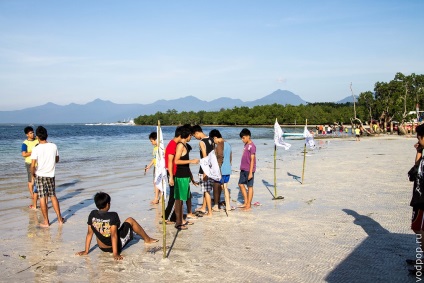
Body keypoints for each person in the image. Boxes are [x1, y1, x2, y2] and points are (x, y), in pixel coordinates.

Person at [76, 192, 158, 260]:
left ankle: (146, 239)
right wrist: (115, 254)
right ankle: (147, 239)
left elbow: (89, 234)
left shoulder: (92, 214)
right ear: (108, 204)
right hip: (112, 247)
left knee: (99, 227)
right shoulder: (113, 215)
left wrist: (86, 251)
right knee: (130, 220)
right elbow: (113, 235)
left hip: (101, 247)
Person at [30, 126, 64, 227]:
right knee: (53, 196)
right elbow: (57, 159)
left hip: (40, 175)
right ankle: (59, 219)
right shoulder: (53, 146)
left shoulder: (36, 148)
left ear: (37, 137)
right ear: (46, 135)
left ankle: (46, 221)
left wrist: (33, 174)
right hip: (51, 175)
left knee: (42, 197)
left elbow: (32, 165)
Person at [173, 127, 199, 230]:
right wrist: (191, 161)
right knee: (179, 200)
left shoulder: (185, 146)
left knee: (182, 199)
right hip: (180, 176)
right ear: (187, 135)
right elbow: (176, 161)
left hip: (185, 176)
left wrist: (191, 178)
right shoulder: (180, 146)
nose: (191, 137)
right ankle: (178, 223)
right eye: (190, 136)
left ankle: (180, 220)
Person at [408, 124, 424, 272]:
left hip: (423, 199)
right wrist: (419, 151)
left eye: (419, 137)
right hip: (419, 197)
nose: (417, 139)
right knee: (416, 227)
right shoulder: (423, 155)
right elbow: (415, 170)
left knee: (421, 229)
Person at [191, 125, 215, 216]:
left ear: (197, 133)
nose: (195, 138)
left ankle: (210, 212)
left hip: (205, 169)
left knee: (206, 190)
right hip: (212, 168)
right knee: (207, 189)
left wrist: (205, 172)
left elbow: (205, 157)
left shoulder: (201, 142)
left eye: (194, 136)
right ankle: (204, 207)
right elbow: (212, 155)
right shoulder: (211, 139)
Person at [163, 126, 183, 224]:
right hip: (172, 173)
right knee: (172, 196)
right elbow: (170, 161)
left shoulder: (173, 143)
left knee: (174, 195)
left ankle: (169, 216)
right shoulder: (172, 144)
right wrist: (171, 176)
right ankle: (166, 217)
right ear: (179, 135)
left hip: (173, 172)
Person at [209, 129, 233, 212]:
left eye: (213, 140)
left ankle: (217, 205)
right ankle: (228, 205)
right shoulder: (228, 144)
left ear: (215, 137)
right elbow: (230, 157)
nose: (214, 142)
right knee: (225, 187)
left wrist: (217, 169)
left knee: (221, 186)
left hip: (221, 170)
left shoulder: (219, 145)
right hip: (228, 169)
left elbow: (220, 157)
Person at [238, 128, 256, 211]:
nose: (242, 140)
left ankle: (249, 204)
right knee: (240, 184)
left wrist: (251, 172)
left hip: (249, 169)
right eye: (242, 138)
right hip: (243, 168)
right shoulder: (245, 145)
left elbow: (252, 159)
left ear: (248, 136)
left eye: (243, 138)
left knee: (250, 186)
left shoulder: (252, 146)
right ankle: (246, 201)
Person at [22, 126, 39, 209]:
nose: (32, 134)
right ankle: (32, 195)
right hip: (29, 163)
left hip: (38, 163)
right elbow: (24, 154)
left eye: (33, 132)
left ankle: (36, 194)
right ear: (27, 135)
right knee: (31, 180)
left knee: (37, 180)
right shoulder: (25, 143)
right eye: (30, 133)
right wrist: (33, 152)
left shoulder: (37, 140)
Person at [145, 132, 161, 204]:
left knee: (156, 182)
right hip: (155, 166)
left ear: (156, 139)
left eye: (152, 141)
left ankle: (156, 198)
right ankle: (159, 196)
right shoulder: (155, 148)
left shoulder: (160, 148)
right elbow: (154, 158)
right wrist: (149, 166)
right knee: (156, 182)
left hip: (158, 167)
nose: (151, 143)